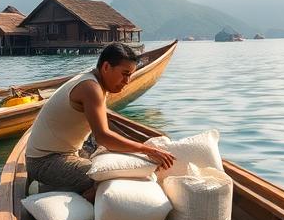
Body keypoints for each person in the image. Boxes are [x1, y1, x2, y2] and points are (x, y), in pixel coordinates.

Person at [25, 42, 175, 199]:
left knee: (115, 162)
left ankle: (70, 188)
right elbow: (102, 136)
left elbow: (104, 125)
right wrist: (147, 150)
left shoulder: (96, 83)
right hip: (44, 161)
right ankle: (43, 189)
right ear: (106, 67)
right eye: (125, 74)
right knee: (106, 176)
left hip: (67, 152)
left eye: (130, 75)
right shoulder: (90, 88)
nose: (127, 81)